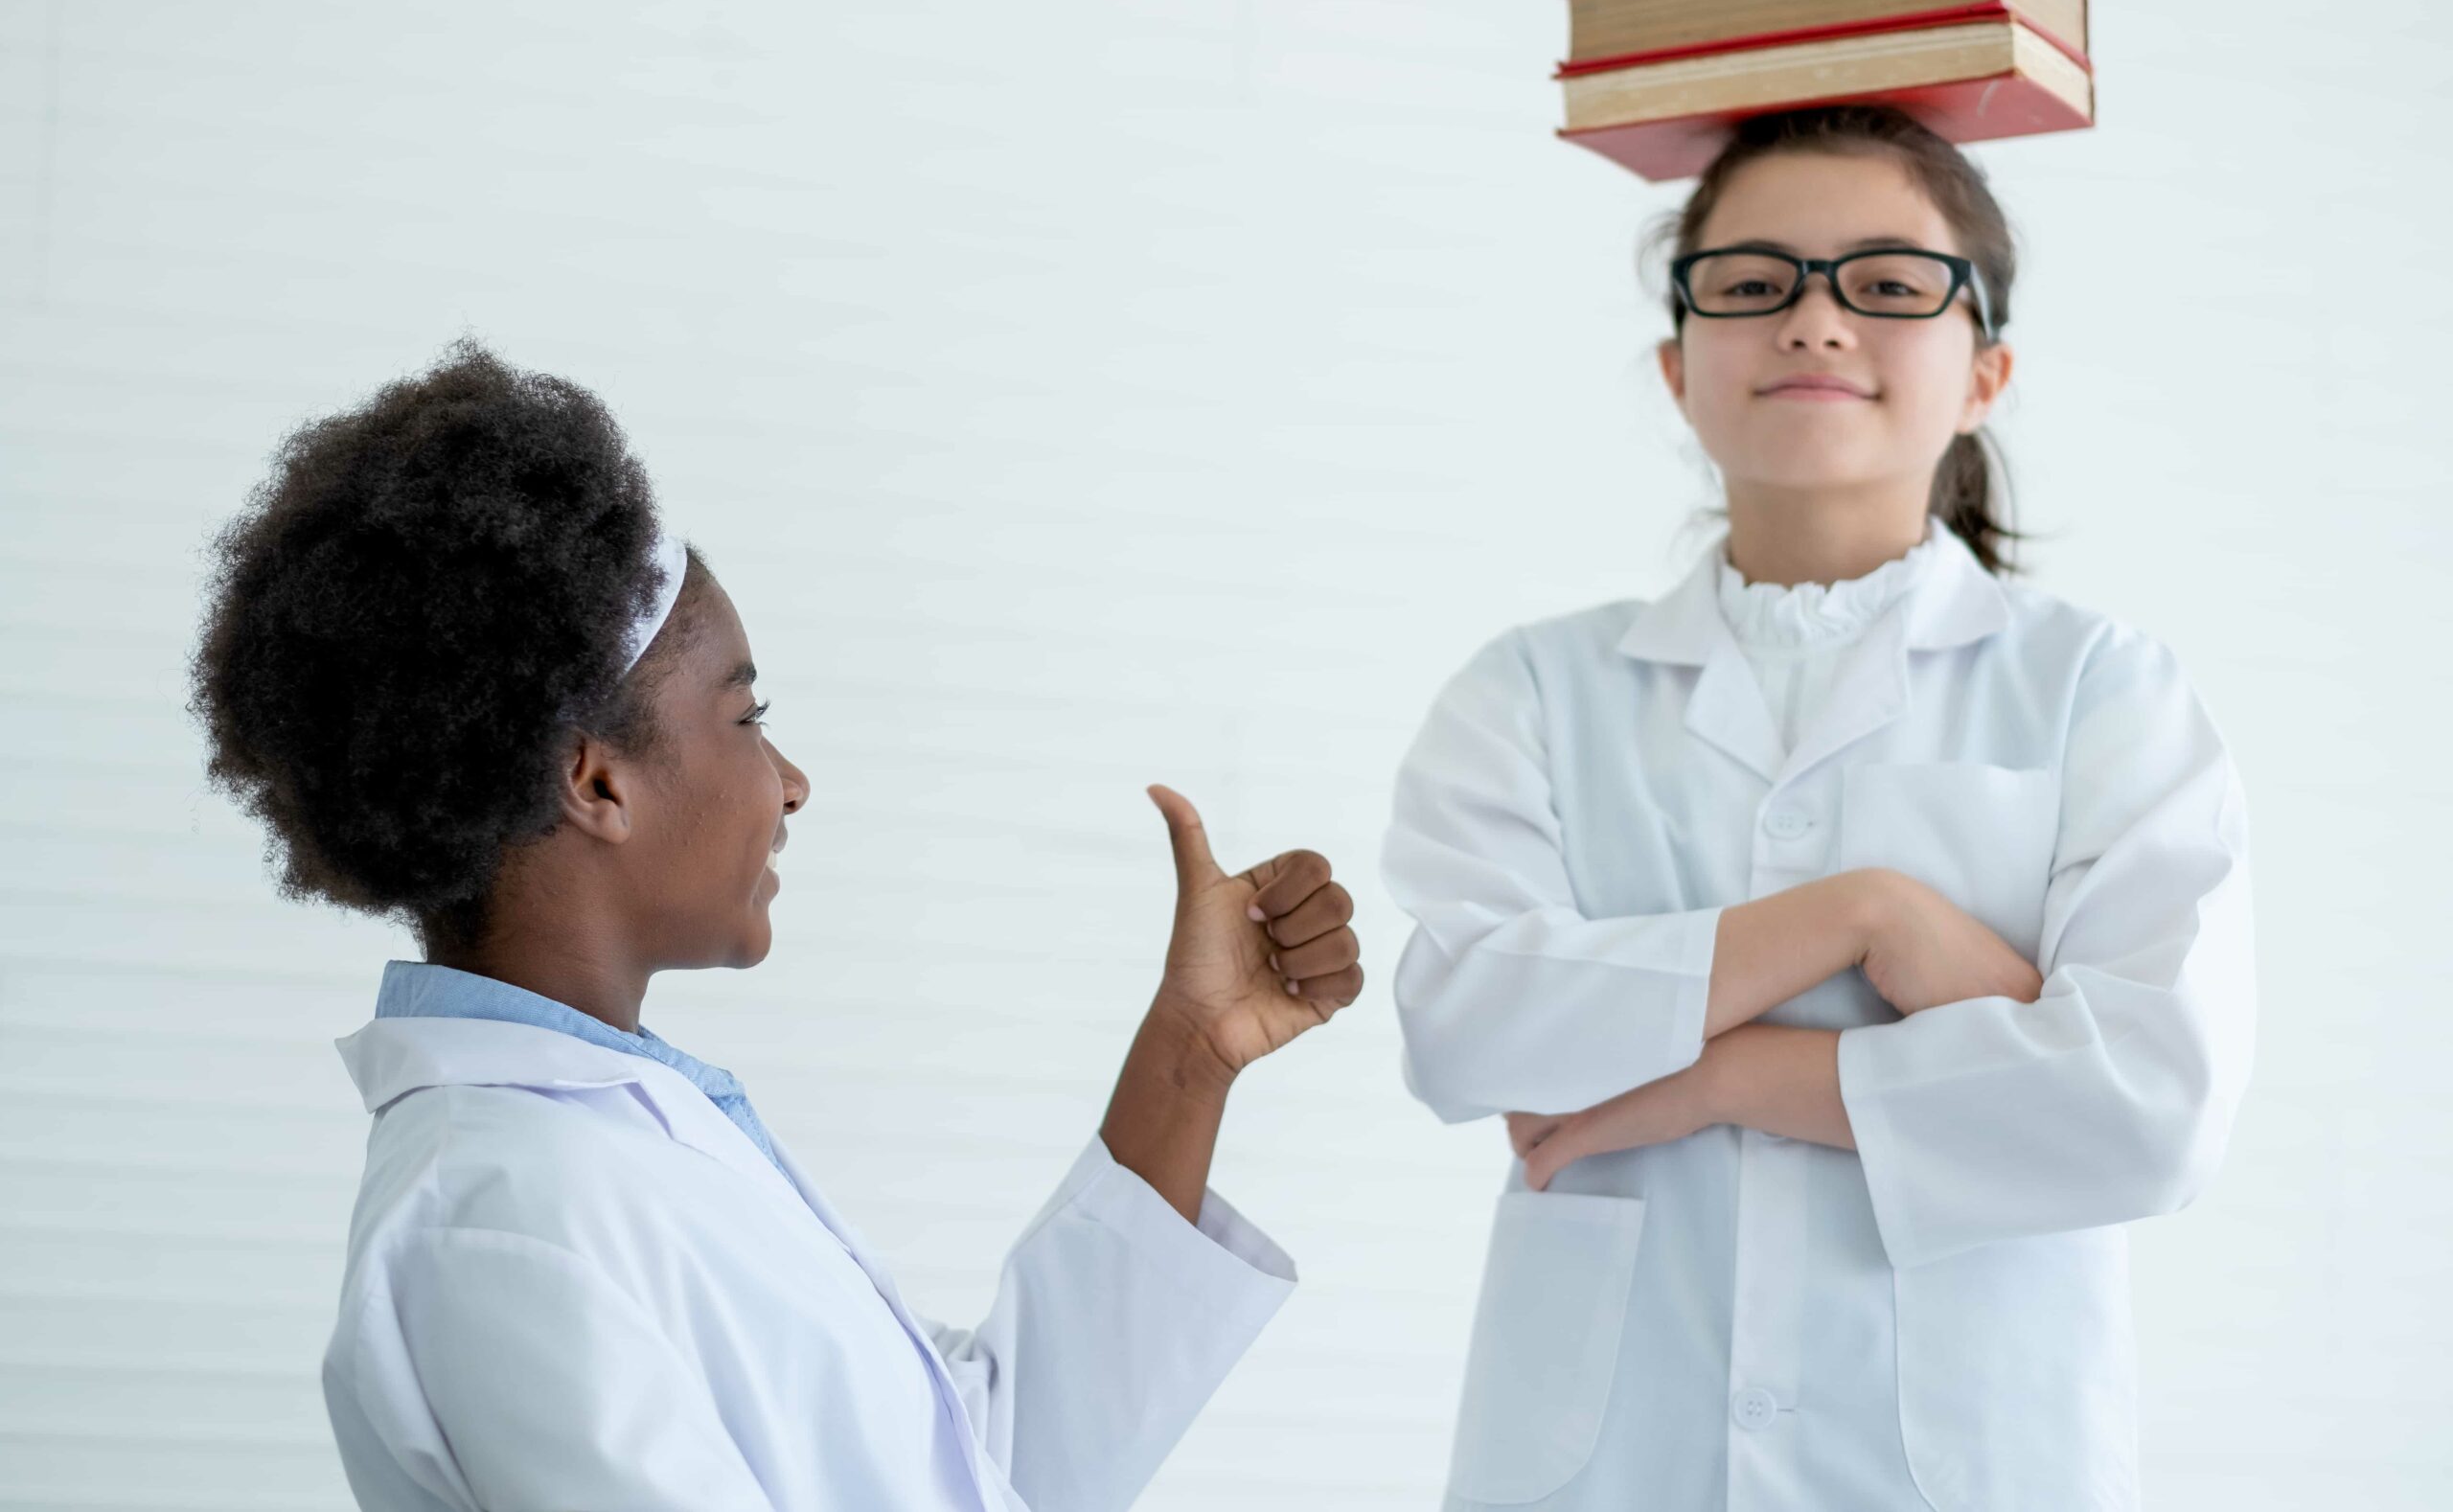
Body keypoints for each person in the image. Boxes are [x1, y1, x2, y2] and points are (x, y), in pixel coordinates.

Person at [187, 344, 1364, 1512]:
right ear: (595, 784)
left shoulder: (606, 1153)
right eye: (748, 716)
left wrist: (1190, 1052)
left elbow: (983, 1468)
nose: (790, 782)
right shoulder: (505, 1214)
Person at [1381, 103, 2254, 1512]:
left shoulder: (2102, 687)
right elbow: (1466, 1025)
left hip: (1968, 1458)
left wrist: (1717, 1072)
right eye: (1751, 281)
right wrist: (1864, 914)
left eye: (1890, 284)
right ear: (1677, 365)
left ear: (1987, 368)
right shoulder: (1532, 689)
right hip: (1607, 1457)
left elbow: (2145, 1111)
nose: (1814, 321)